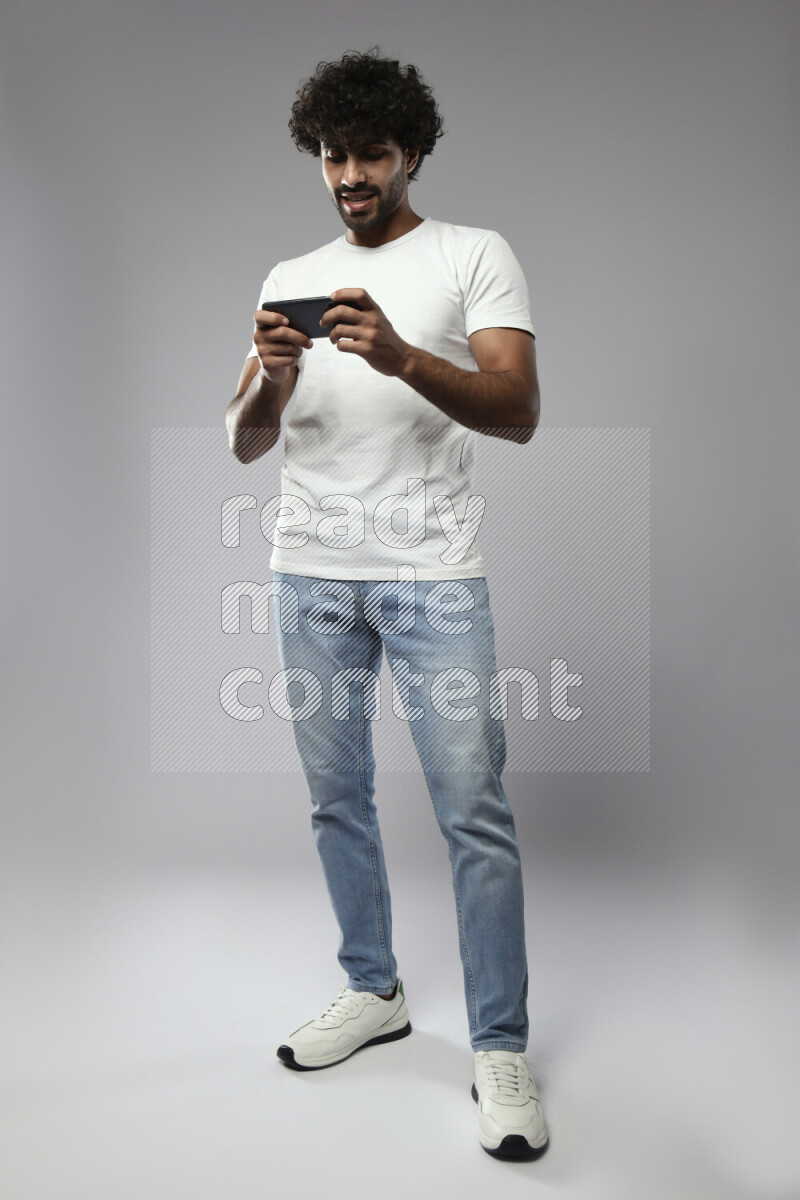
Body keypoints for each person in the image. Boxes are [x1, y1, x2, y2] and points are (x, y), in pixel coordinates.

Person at [225, 48, 548, 1160]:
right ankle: (374, 992)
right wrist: (270, 370)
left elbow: (517, 409)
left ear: (411, 152)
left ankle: (497, 1045)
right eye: (333, 155)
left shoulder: (472, 255)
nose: (350, 174)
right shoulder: (287, 273)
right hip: (309, 572)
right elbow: (241, 442)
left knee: (473, 810)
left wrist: (403, 356)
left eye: (369, 154)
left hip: (431, 576)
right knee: (336, 799)